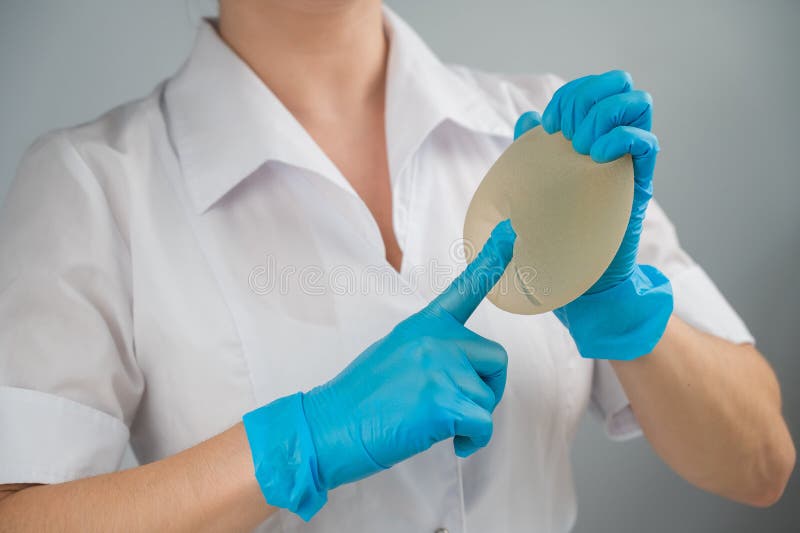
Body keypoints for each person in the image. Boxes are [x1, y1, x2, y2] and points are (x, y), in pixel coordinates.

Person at [0, 1, 794, 531]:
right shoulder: (95, 185)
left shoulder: (544, 142)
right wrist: (299, 441)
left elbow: (761, 461)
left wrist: (630, 319)